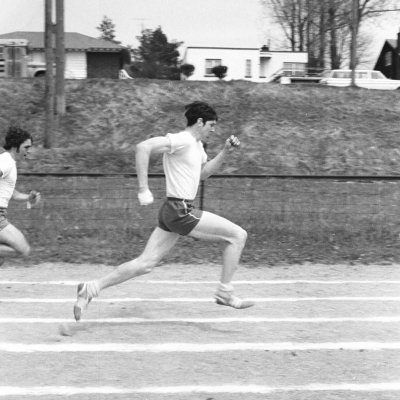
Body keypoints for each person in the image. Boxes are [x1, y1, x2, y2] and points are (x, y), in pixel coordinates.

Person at [73, 101, 253, 321]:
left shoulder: (196, 145)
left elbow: (203, 174)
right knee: (237, 235)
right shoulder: (183, 139)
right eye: (211, 125)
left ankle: (91, 288)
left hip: (172, 211)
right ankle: (225, 292)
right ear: (199, 122)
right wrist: (143, 188)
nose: (213, 130)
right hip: (180, 210)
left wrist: (225, 151)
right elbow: (143, 147)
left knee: (145, 264)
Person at [0, 126, 41, 265]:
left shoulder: (9, 162)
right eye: (26, 147)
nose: (28, 151)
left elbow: (10, 193)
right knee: (23, 249)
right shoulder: (6, 161)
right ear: (16, 145)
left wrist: (28, 198)